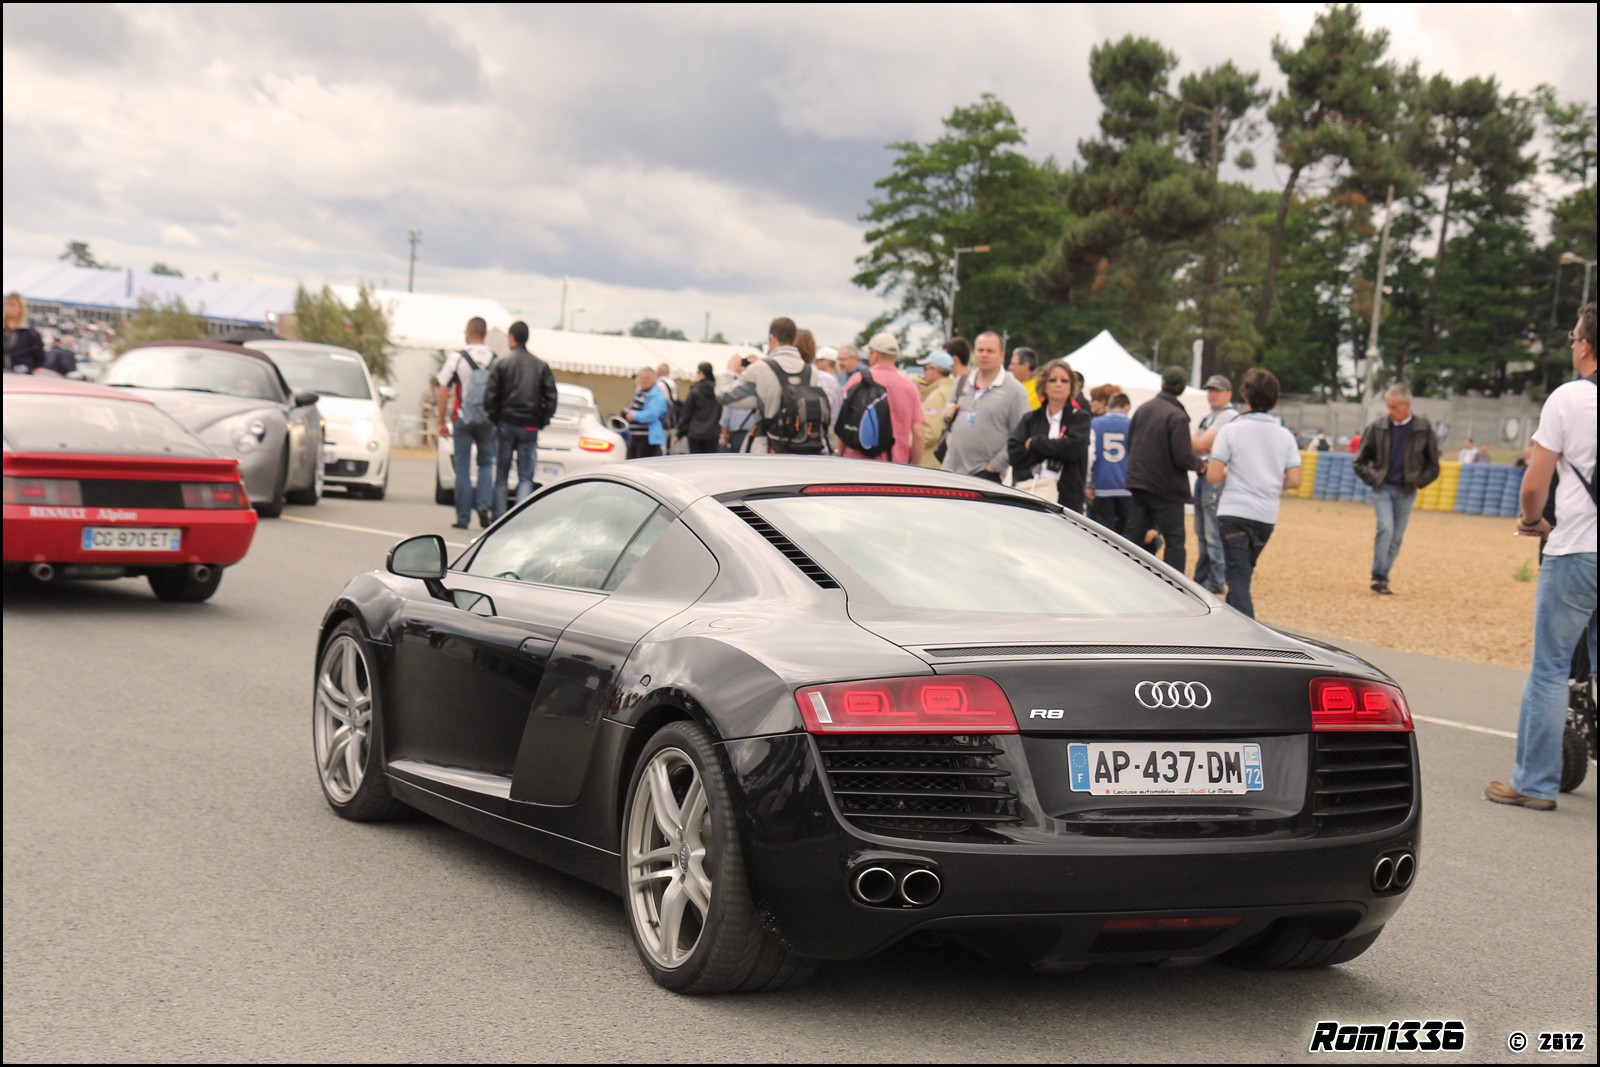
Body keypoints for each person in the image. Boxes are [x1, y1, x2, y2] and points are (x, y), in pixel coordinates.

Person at [1487, 304, 1598, 810]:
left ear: (1584, 344)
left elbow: (1536, 482)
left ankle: (1533, 783)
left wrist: (1532, 521)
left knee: (1552, 667)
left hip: (1578, 548)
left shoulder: (1570, 398)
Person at [1204, 368, 1302, 618]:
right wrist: (1266, 479)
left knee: (1237, 577)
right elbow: (1295, 480)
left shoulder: (1232, 430)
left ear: (1245, 396)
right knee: (1243, 573)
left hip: (1234, 510)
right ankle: (1230, 625)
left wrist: (1237, 476)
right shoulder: (1285, 435)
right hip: (1266, 515)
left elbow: (1213, 475)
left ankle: (1246, 631)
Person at [1353, 383, 1441, 595]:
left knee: (1397, 537)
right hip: (1382, 488)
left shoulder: (1423, 429)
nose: (1390, 411)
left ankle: (1383, 577)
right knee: (1385, 528)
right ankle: (1378, 575)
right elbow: (1359, 461)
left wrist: (1418, 482)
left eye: (1394, 407)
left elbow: (1433, 465)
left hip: (1407, 491)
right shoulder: (1377, 428)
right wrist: (1374, 478)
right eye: (1388, 406)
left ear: (1407, 405)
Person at [1126, 366, 1207, 573]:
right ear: (1181, 388)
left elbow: (1130, 443)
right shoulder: (1177, 416)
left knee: (1132, 538)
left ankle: (1125, 576)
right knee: (1174, 541)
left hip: (1138, 482)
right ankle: (1174, 586)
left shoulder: (1143, 408)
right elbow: (1182, 457)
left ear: (1162, 383)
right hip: (1166, 488)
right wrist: (1200, 465)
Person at [483, 320, 558, 517]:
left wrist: (496, 418)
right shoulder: (541, 366)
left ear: (511, 338)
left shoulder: (502, 363)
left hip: (506, 423)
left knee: (501, 475)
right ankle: (519, 519)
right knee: (526, 477)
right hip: (530, 426)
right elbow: (551, 397)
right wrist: (542, 420)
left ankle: (498, 517)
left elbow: (490, 396)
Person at [715, 317, 819, 453]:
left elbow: (724, 396)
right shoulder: (812, 372)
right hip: (802, 447)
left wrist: (730, 371)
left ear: (772, 338)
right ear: (794, 340)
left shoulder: (761, 369)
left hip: (768, 448)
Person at [435, 316, 499, 529]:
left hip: (462, 417)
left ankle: (463, 517)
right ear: (484, 334)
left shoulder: (458, 358)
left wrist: (441, 421)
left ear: (469, 333)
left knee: (462, 466)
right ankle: (483, 505)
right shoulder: (495, 359)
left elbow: (443, 391)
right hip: (487, 419)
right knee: (485, 464)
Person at [940, 330, 1028, 482]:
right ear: (974, 353)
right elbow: (947, 421)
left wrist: (994, 467)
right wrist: (946, 415)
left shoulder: (1015, 391)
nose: (984, 355)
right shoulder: (962, 382)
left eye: (990, 351)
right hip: (951, 471)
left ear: (1001, 356)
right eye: (980, 350)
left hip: (985, 476)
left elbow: (1021, 436)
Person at [1008, 358, 1092, 511]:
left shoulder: (1080, 418)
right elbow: (1015, 454)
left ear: (1071, 386)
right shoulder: (1030, 419)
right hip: (1030, 495)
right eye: (1053, 380)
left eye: (1064, 380)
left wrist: (1035, 443)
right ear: (1044, 385)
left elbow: (1072, 450)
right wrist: (1055, 447)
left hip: (1066, 501)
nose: (1058, 384)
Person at [1190, 374, 1240, 595]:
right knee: (1202, 530)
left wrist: (1193, 439)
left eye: (1218, 390)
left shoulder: (1227, 416)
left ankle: (1215, 579)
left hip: (1215, 477)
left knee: (1212, 532)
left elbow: (1200, 444)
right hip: (1205, 473)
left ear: (1229, 394)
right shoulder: (1211, 417)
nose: (1213, 394)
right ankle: (1204, 577)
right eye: (1210, 390)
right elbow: (1197, 446)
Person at [840, 332, 923, 465]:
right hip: (896, 466)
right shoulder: (910, 387)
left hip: (858, 463)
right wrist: (916, 467)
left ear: (875, 354)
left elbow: (844, 422)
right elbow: (918, 433)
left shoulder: (858, 380)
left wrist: (839, 454)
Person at [1087, 392, 1133, 535]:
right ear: (1127, 407)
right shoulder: (1132, 424)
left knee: (1103, 534)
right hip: (1127, 486)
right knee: (1126, 534)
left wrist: (1088, 483)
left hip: (1102, 485)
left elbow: (1090, 455)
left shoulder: (1094, 423)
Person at [916, 349, 954, 469]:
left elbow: (929, 432)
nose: (924, 373)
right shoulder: (953, 389)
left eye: (926, 368)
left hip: (930, 462)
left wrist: (907, 442)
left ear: (936, 371)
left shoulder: (937, 395)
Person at [624, 366, 669, 460]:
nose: (644, 380)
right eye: (642, 378)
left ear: (654, 380)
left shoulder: (657, 396)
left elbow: (652, 415)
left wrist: (634, 416)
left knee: (643, 465)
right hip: (634, 436)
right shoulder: (640, 392)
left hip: (647, 438)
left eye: (647, 378)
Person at [679, 361, 722, 454]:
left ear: (701, 373)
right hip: (712, 432)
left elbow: (686, 413)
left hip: (695, 432)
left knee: (696, 463)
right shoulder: (718, 391)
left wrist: (680, 433)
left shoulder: (695, 391)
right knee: (710, 462)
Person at [3, 291, 44, 374]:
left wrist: (28, 368)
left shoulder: (30, 333)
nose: (9, 307)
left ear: (21, 308)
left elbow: (40, 357)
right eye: (6, 304)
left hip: (22, 377)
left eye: (13, 305)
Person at [811, 346, 844, 423]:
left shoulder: (824, 378)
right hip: (835, 421)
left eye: (819, 360)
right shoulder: (837, 377)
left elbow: (826, 404)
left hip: (828, 422)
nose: (816, 362)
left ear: (826, 362)